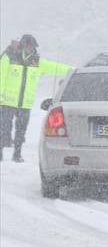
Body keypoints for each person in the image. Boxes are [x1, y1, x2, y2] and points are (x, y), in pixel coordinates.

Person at [0, 34, 72, 162]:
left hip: (25, 104)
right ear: (22, 46)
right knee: (4, 128)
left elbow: (56, 67)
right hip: (7, 101)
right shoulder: (9, 58)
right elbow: (1, 76)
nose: (30, 49)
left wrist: (74, 70)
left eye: (32, 47)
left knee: (21, 130)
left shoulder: (37, 62)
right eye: (27, 46)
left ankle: (17, 154)